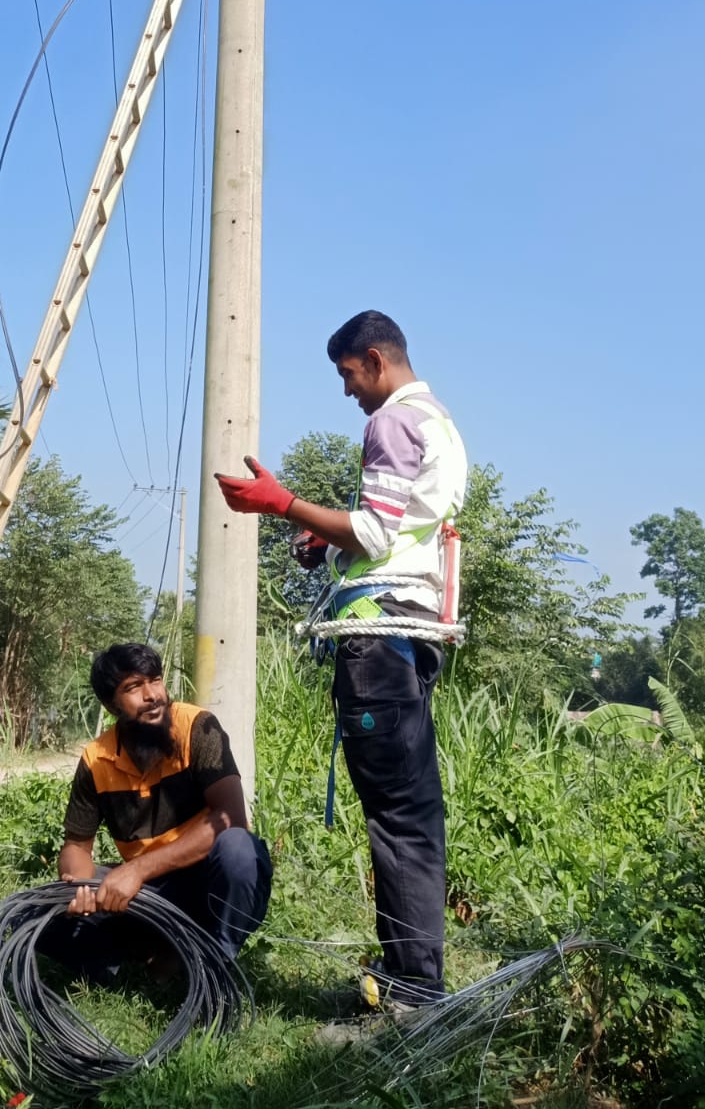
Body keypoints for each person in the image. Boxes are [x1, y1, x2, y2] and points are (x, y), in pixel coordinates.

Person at [215, 310, 468, 1012]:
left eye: (349, 374)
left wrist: (282, 503)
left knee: (396, 818)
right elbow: (396, 540)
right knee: (411, 815)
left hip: (376, 648)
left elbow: (374, 527)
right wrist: (323, 545)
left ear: (377, 359)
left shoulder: (389, 421)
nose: (349, 391)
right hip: (409, 638)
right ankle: (412, 974)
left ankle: (414, 988)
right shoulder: (439, 423)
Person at [54, 642, 273, 969]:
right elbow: (76, 846)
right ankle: (154, 955)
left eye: (155, 680)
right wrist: (80, 887)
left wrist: (137, 869)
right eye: (133, 687)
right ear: (110, 704)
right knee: (45, 916)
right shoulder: (95, 759)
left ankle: (217, 965)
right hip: (151, 894)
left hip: (211, 882)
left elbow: (229, 818)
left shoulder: (198, 727)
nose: (152, 695)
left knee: (239, 848)